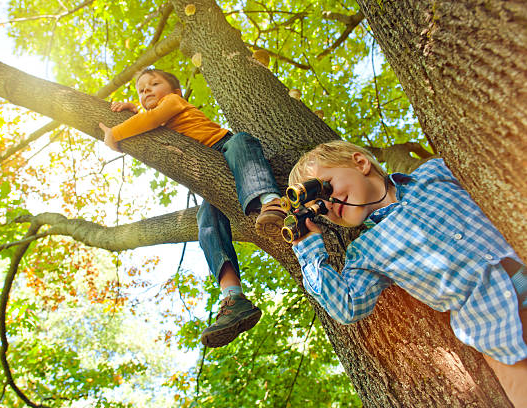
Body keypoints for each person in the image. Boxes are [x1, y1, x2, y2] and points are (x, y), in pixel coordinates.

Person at [288, 140, 527, 406]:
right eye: (319, 205)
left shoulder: (434, 174)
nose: (329, 204)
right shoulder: (366, 250)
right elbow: (346, 305)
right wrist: (306, 246)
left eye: (326, 186)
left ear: (361, 162)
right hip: (502, 336)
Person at [99, 68, 286, 348]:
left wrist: (116, 133)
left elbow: (154, 119)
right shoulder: (158, 116)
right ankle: (234, 298)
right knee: (206, 219)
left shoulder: (175, 103)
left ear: (175, 92)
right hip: (212, 174)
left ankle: (271, 203)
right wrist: (133, 110)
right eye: (141, 90)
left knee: (240, 141)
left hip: (225, 147)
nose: (147, 90)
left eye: (154, 84)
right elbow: (151, 122)